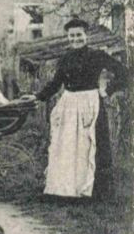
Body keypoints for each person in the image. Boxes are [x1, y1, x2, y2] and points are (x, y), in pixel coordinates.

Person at [39, 17, 128, 200]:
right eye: (71, 36)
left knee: (93, 146)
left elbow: (124, 73)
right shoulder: (65, 58)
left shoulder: (97, 56)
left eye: (79, 35)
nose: (75, 39)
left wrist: (107, 90)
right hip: (69, 105)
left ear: (86, 35)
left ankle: (97, 193)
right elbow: (56, 84)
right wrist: (38, 97)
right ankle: (67, 190)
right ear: (68, 37)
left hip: (91, 104)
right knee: (68, 147)